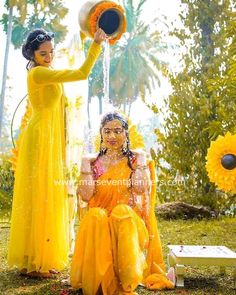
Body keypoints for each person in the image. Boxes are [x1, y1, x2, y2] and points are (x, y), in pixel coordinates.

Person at [7, 27, 107, 278]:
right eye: (43, 53)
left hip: (49, 138)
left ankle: (38, 255)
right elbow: (81, 73)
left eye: (51, 52)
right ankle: (35, 262)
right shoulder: (39, 73)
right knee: (40, 194)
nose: (49, 56)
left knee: (45, 194)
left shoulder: (46, 71)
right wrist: (95, 45)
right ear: (32, 54)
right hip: (40, 139)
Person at [70, 112, 174, 294]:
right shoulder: (95, 163)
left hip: (128, 225)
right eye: (107, 131)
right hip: (100, 226)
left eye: (117, 131)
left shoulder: (133, 161)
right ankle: (99, 281)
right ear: (101, 134)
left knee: (121, 211)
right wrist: (85, 164)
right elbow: (86, 196)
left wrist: (141, 160)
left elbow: (140, 189)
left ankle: (127, 281)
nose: (112, 136)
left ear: (126, 134)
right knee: (96, 215)